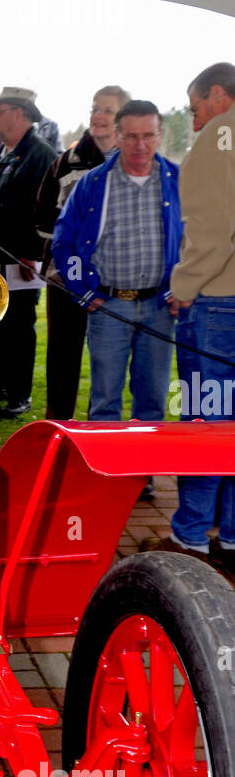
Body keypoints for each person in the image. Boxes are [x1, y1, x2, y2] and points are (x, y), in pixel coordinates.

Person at [52, 101, 182, 450]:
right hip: (108, 307)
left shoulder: (178, 181)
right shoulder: (94, 184)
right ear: (118, 136)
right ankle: (106, 475)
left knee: (152, 399)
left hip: (158, 306)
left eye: (148, 136)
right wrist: (81, 289)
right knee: (105, 398)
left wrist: (181, 289)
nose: (141, 146)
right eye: (132, 137)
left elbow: (196, 241)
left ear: (160, 135)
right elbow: (64, 242)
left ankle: (144, 475)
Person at [152, 62, 235, 571]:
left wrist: (182, 288)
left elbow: (211, 231)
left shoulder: (217, 141)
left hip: (217, 304)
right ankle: (230, 534)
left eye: (196, 107)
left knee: (208, 418)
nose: (196, 121)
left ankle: (188, 537)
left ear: (219, 95)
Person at [35, 85, 129, 419]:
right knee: (62, 356)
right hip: (65, 279)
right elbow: (44, 216)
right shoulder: (65, 162)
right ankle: (58, 429)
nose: (98, 116)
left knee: (107, 360)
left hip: (114, 283)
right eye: (94, 108)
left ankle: (99, 431)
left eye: (107, 110)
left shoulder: (134, 164)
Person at [0, 86, 58, 418]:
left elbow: (47, 210)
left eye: (0, 112)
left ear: (20, 114)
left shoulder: (41, 154)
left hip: (20, 259)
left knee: (18, 329)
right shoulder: (5, 151)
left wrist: (32, 253)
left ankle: (18, 395)